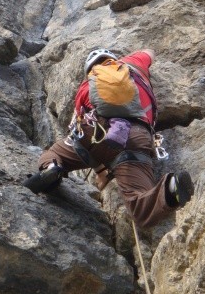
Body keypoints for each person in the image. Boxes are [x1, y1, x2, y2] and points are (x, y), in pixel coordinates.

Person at [23, 48, 194, 230]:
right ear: (113, 61)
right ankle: (170, 189)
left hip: (94, 131)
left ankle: (52, 167)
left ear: (90, 69)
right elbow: (150, 52)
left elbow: (76, 127)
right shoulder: (132, 63)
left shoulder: (87, 85)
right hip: (135, 137)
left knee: (54, 153)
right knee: (141, 208)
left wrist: (99, 171)